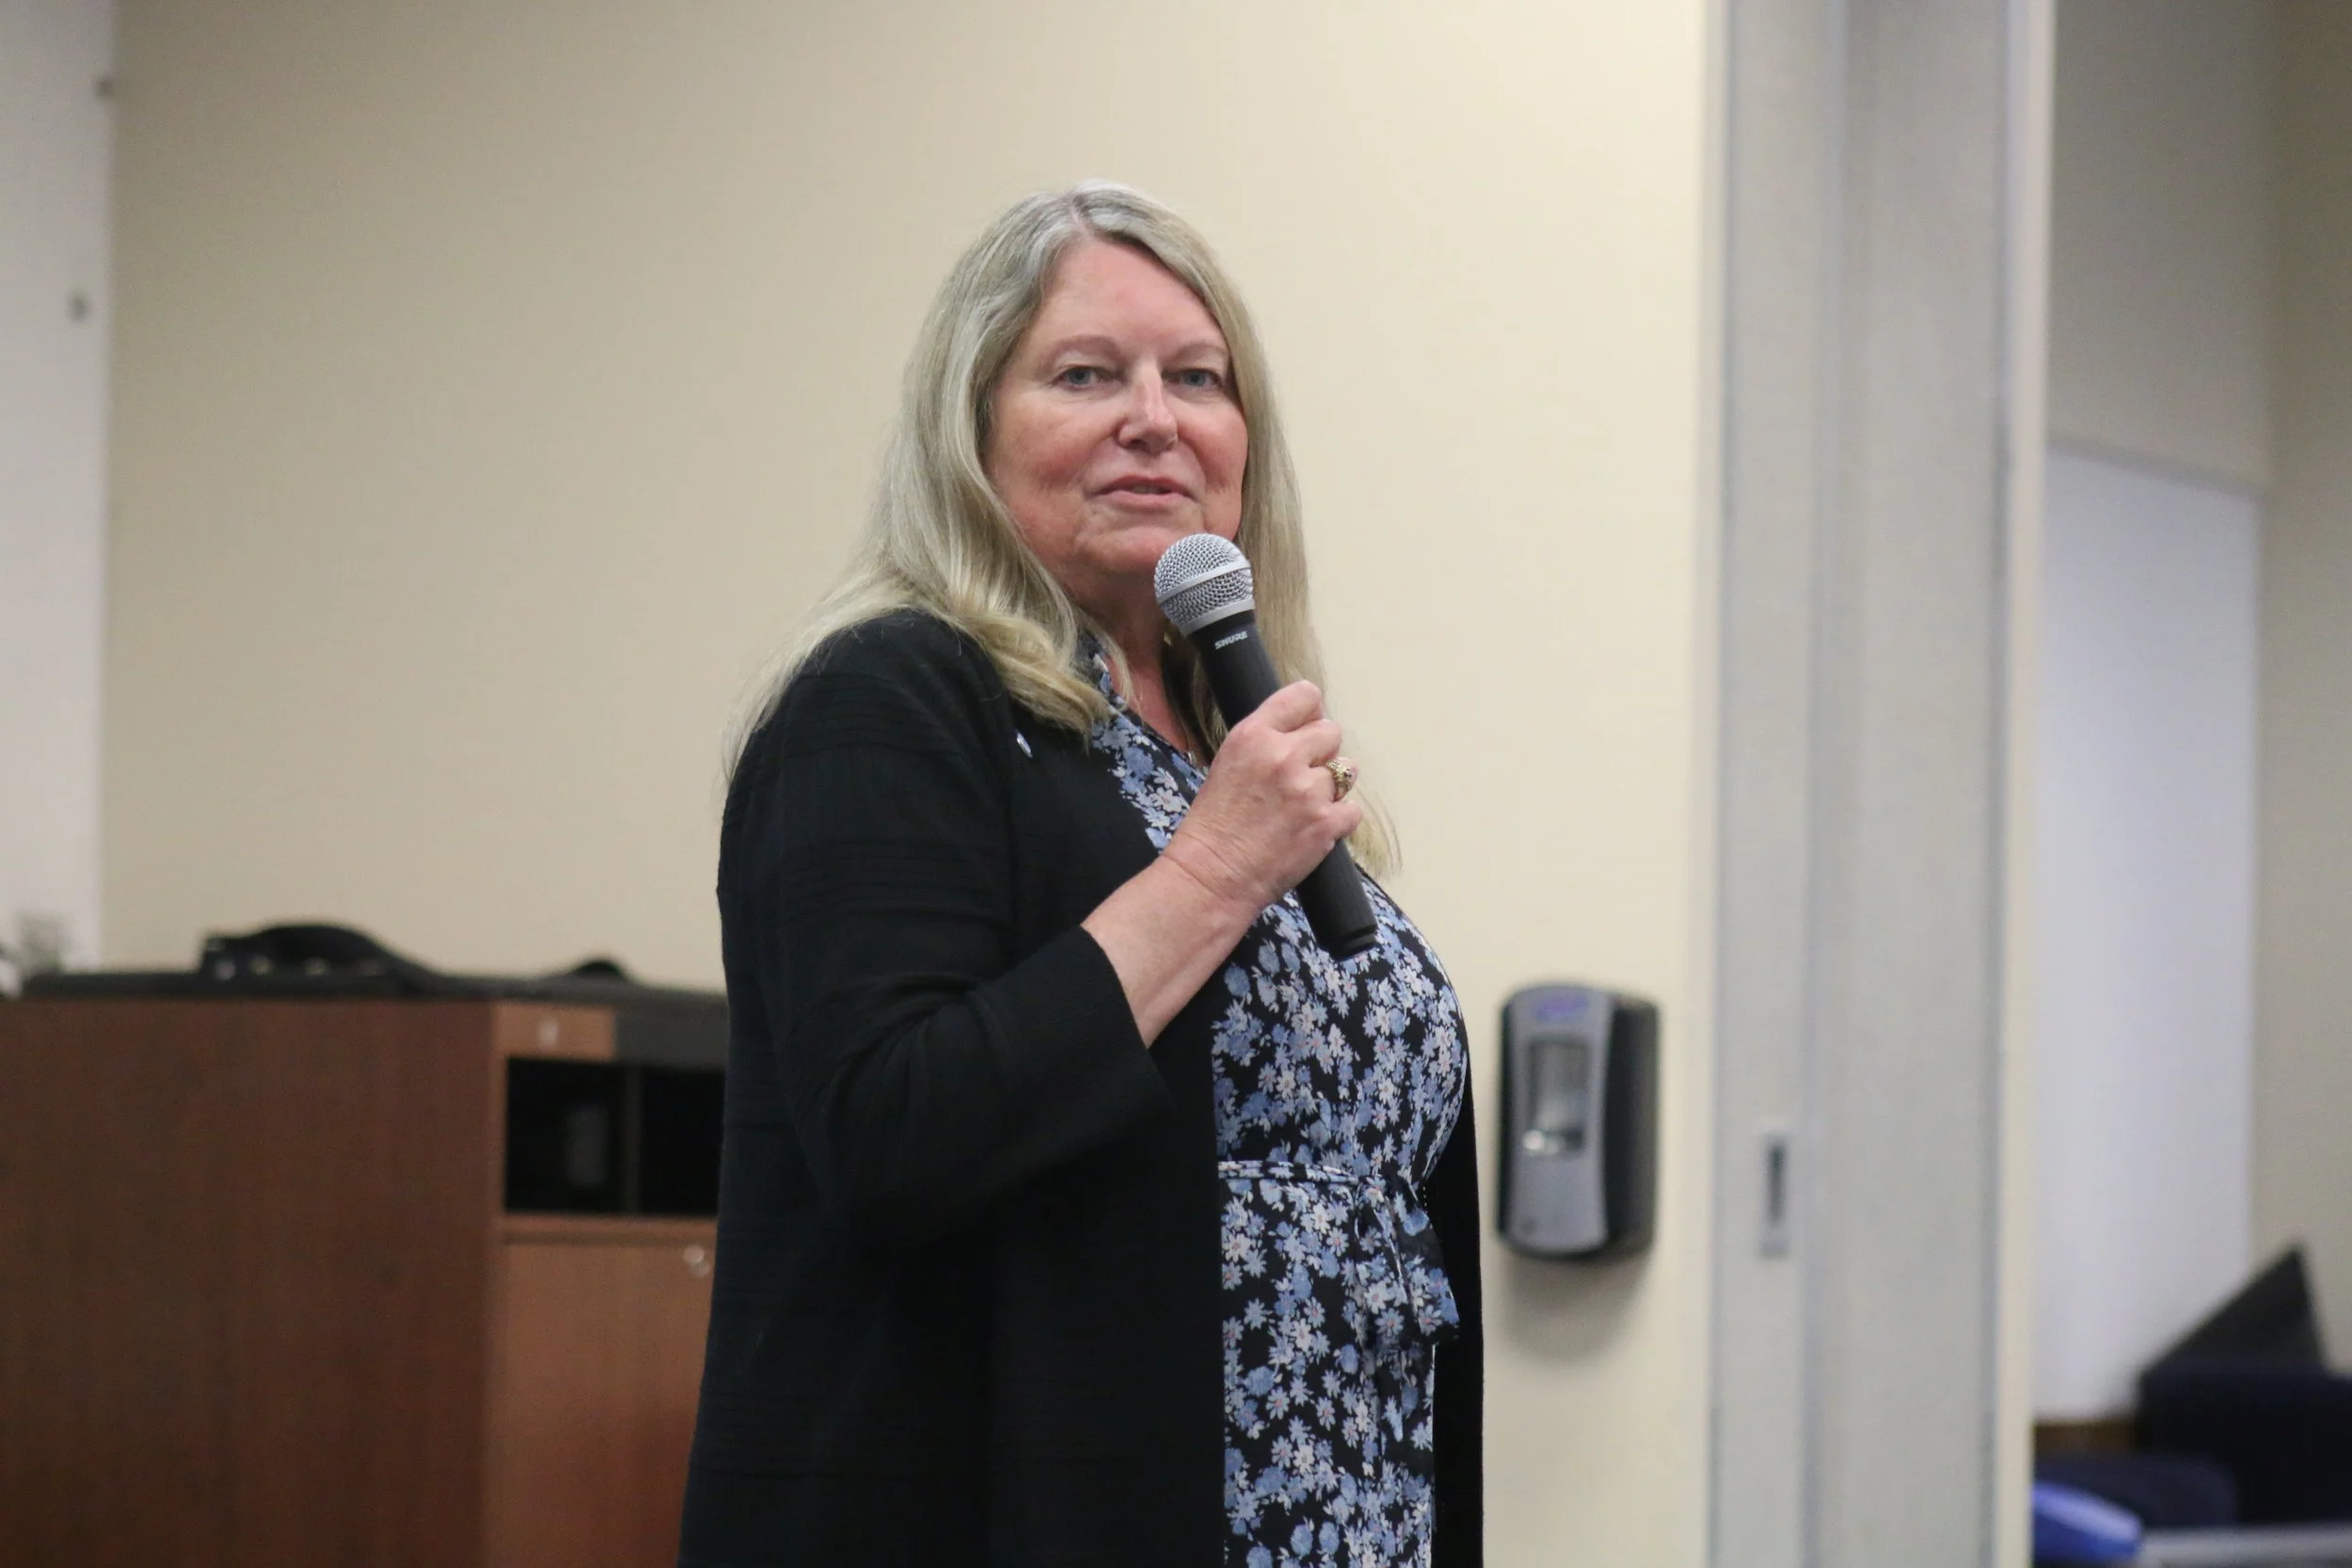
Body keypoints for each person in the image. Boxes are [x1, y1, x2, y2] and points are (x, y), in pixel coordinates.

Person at [679, 181, 1482, 1568]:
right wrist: (1214, 869)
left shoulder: (1239, 745)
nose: (1155, 420)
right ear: (972, 427)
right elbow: (889, 1129)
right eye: (1086, 375)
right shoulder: (889, 700)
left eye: (1198, 379)